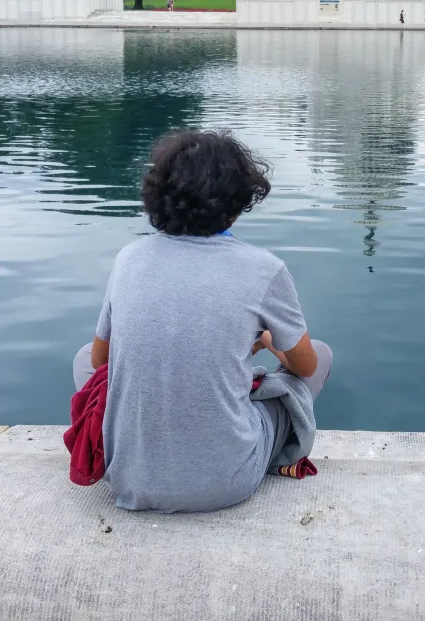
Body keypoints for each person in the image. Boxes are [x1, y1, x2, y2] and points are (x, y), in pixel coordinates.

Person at [72, 130, 332, 513]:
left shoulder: (130, 258)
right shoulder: (264, 269)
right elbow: (306, 366)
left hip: (128, 479)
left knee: (82, 358)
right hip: (226, 481)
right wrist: (263, 341)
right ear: (239, 202)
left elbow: (99, 362)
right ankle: (272, 452)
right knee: (320, 355)